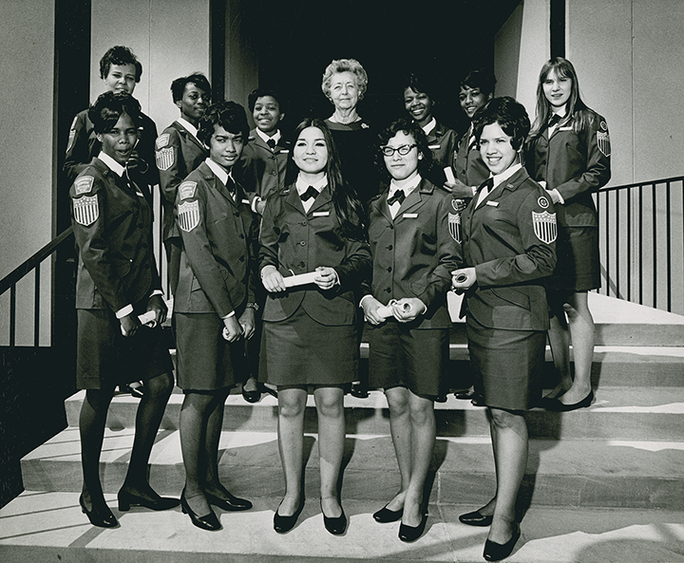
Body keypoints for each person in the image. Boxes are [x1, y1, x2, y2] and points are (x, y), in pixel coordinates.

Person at [451, 97, 557, 561]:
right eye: (484, 140)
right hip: (484, 318)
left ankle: (506, 519)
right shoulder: (482, 190)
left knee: (508, 415)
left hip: (515, 321)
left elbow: (544, 259)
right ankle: (503, 500)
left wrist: (480, 274)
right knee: (497, 413)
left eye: (500, 139)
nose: (490, 148)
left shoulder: (531, 195)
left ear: (517, 141)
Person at [69, 91, 177, 528]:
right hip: (102, 307)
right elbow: (94, 253)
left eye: (132, 132)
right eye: (115, 133)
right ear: (98, 135)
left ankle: (134, 482)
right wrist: (124, 310)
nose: (126, 140)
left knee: (160, 383)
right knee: (100, 393)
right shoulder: (88, 181)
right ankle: (90, 491)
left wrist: (154, 292)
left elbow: (144, 249)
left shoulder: (132, 180)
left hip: (137, 301)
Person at [259, 118, 371, 535]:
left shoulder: (348, 198)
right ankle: (292, 493)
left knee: (330, 404)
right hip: (285, 317)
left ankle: (329, 495)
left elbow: (362, 254)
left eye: (319, 144)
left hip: (333, 316)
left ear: (329, 152)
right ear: (293, 151)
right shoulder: (277, 199)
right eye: (302, 144)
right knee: (289, 405)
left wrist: (339, 273)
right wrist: (268, 268)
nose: (309, 150)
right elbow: (264, 249)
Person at [361, 118, 459, 543]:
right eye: (389, 151)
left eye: (405, 149)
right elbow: (364, 260)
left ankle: (417, 496)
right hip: (384, 321)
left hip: (425, 320)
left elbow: (450, 260)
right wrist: (365, 299)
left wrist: (422, 299)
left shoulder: (441, 201)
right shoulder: (375, 204)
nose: (397, 157)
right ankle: (406, 487)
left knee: (421, 408)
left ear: (421, 152)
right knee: (396, 403)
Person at [173, 101, 257, 530]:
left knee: (221, 392)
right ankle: (191, 490)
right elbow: (200, 254)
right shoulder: (193, 186)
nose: (229, 147)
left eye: (236, 139)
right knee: (199, 396)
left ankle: (210, 480)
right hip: (203, 310)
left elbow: (241, 253)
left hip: (230, 308)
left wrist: (247, 306)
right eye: (221, 139)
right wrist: (228, 314)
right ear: (207, 140)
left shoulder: (232, 184)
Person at [65, 45, 159, 399]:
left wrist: (133, 171)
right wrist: (102, 168)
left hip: (130, 214)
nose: (123, 84)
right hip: (98, 212)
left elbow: (152, 171)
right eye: (117, 76)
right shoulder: (84, 119)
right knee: (102, 278)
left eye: (130, 78)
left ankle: (131, 373)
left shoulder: (143, 123)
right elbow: (68, 168)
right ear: (104, 76)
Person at [525, 57, 611, 411]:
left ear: (573, 84)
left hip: (575, 224)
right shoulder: (537, 127)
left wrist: (560, 192)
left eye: (562, 80)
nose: (555, 87)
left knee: (575, 305)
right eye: (548, 82)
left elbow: (599, 171)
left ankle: (582, 385)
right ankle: (562, 379)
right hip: (543, 227)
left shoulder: (592, 121)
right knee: (549, 307)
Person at [235, 88, 290, 403]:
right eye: (258, 108)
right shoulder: (242, 148)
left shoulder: (293, 146)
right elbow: (233, 188)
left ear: (281, 114)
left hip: (286, 235)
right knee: (253, 299)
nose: (264, 113)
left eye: (271, 108)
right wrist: (251, 201)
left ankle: (276, 373)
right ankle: (251, 375)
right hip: (254, 232)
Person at [447, 68, 496, 405]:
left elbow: (505, 177)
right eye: (463, 95)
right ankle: (480, 380)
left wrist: (468, 190)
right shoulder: (465, 134)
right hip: (468, 224)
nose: (467, 101)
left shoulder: (494, 132)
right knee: (474, 303)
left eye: (473, 94)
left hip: (491, 223)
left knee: (488, 302)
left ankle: (490, 383)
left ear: (488, 95)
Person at [156, 73, 211, 297]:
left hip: (202, 224)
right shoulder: (170, 137)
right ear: (179, 102)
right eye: (194, 97)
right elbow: (170, 188)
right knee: (183, 294)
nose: (201, 102)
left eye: (205, 98)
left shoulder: (205, 137)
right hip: (180, 227)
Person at [322, 58, 377, 208]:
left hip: (367, 210)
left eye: (350, 86)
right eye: (338, 87)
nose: (344, 92)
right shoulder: (319, 131)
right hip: (326, 211)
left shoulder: (374, 132)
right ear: (329, 93)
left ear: (359, 91)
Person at [403, 72, 458, 188]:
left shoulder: (449, 136)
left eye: (421, 97)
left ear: (432, 100)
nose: (415, 103)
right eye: (409, 100)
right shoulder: (401, 136)